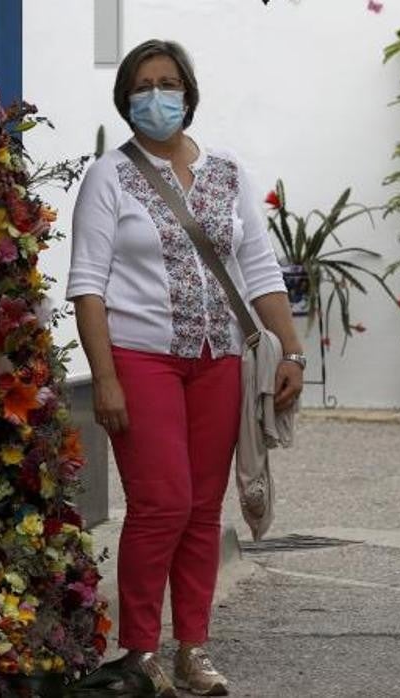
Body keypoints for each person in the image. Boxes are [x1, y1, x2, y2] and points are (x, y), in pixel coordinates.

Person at [66, 40, 303, 696]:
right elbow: (87, 284)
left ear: (188, 93)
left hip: (218, 360)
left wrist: (292, 349)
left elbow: (258, 268)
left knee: (202, 509)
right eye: (143, 85)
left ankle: (191, 650)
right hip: (141, 360)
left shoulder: (227, 170)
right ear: (126, 98)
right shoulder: (109, 178)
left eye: (169, 83)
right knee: (162, 502)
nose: (157, 96)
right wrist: (105, 377)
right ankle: (140, 649)